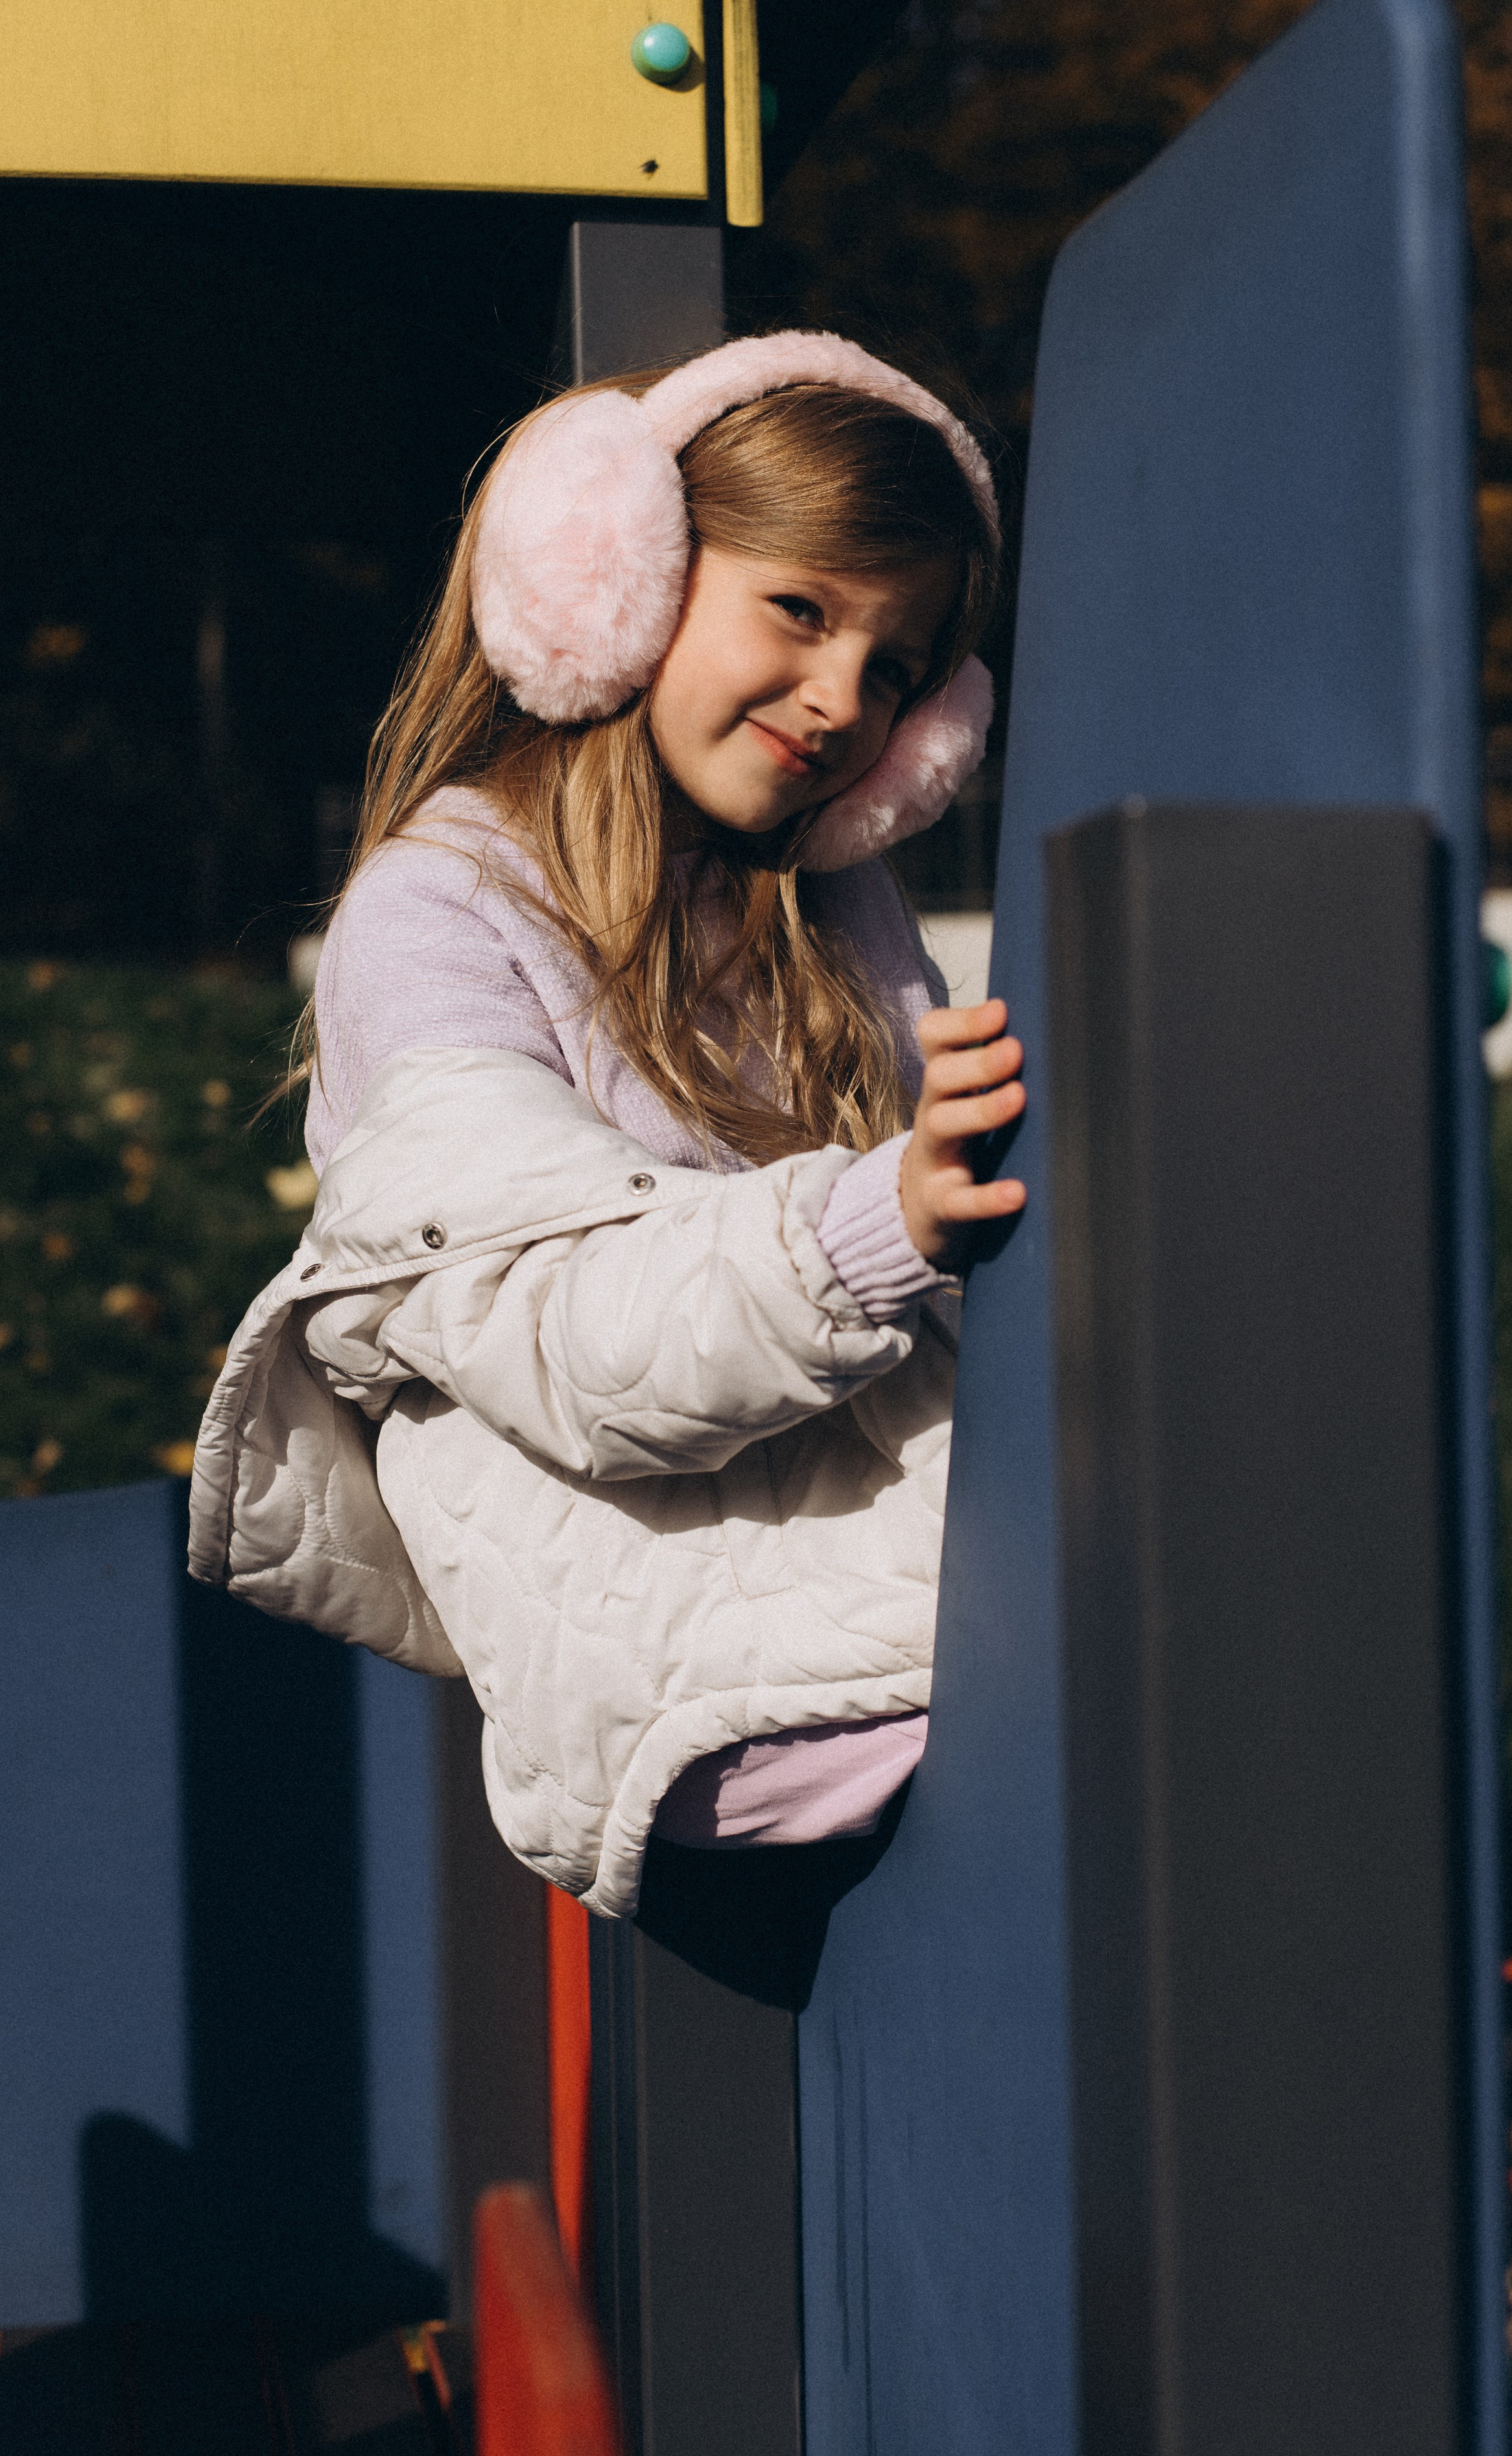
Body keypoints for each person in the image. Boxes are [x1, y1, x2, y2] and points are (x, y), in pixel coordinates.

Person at [188, 332, 1026, 1919]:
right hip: (702, 1683)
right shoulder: (433, 919)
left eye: (900, 667)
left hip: (873, 1590)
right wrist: (884, 1219)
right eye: (800, 609)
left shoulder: (824, 902)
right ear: (616, 580)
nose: (846, 696)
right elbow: (565, 1330)